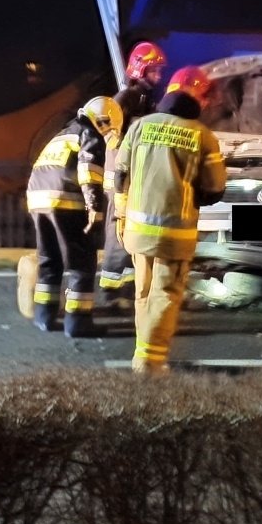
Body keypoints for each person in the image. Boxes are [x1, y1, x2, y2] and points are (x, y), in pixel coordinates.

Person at [110, 66, 225, 372]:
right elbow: (215, 190)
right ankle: (150, 362)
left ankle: (142, 354)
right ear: (199, 97)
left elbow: (119, 175)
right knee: (165, 294)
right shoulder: (203, 137)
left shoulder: (139, 127)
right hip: (175, 234)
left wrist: (121, 214)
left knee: (143, 293)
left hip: (136, 231)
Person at [27, 96, 123, 338]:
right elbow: (89, 172)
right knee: (82, 262)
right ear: (104, 122)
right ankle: (78, 322)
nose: (109, 134)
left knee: (49, 260)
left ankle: (44, 316)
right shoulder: (88, 133)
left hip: (38, 200)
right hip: (65, 202)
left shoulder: (62, 135)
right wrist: (94, 210)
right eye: (110, 129)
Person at [97, 42, 166, 308]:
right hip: (119, 176)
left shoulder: (148, 101)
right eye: (153, 71)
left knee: (130, 230)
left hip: (134, 174)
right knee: (117, 231)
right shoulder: (125, 98)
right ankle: (109, 289)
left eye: (160, 71)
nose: (158, 77)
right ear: (139, 69)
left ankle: (125, 284)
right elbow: (110, 134)